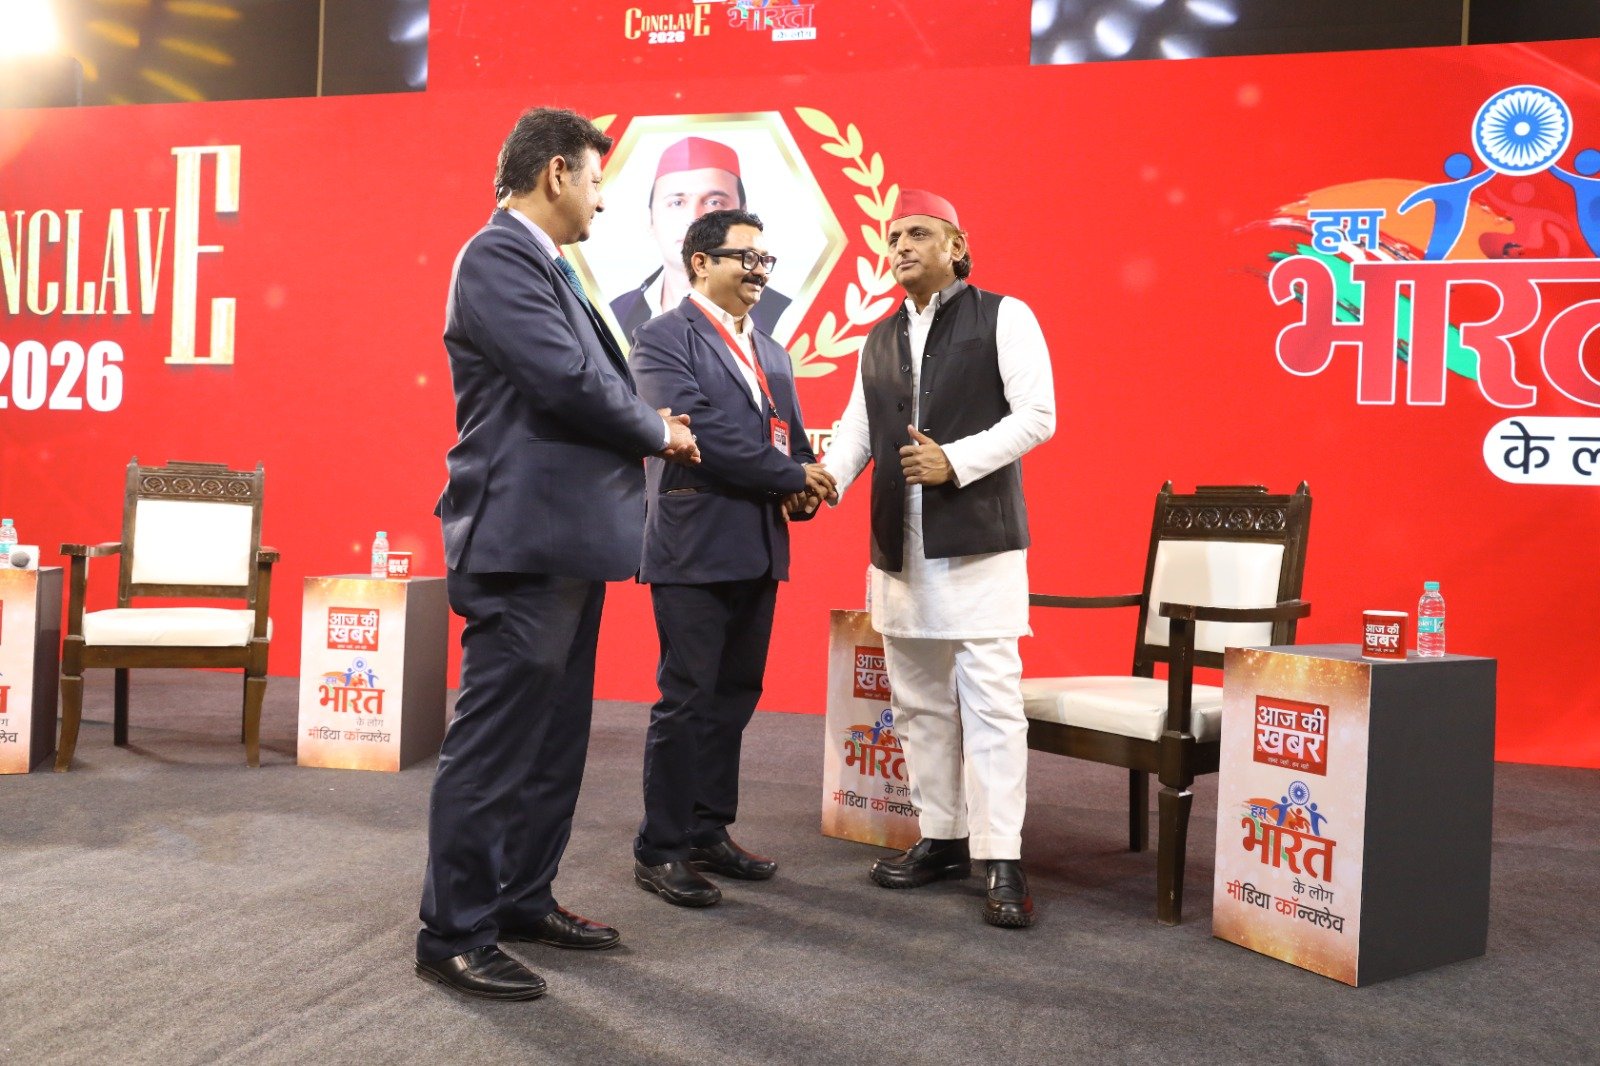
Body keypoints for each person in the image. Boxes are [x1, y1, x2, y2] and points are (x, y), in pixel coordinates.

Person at [417, 107, 700, 1001]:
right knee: (496, 746)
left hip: (565, 542)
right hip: (522, 544)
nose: (601, 200)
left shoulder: (545, 264)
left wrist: (646, 420)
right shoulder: (496, 256)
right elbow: (566, 382)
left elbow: (586, 380)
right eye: (595, 179)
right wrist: (656, 429)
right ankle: (454, 932)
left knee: (551, 744)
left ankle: (520, 898)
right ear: (556, 175)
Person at [822, 190, 1055, 928]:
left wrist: (954, 460)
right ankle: (942, 836)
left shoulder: (1005, 316)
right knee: (918, 704)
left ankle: (1002, 854)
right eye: (893, 237)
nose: (901, 247)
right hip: (900, 549)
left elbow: (1038, 417)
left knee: (991, 708)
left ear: (958, 245)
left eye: (919, 233)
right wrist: (824, 481)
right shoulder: (877, 337)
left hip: (979, 545)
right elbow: (857, 432)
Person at [628, 208, 836, 906]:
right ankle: (660, 848)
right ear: (700, 263)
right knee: (687, 698)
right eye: (746, 258)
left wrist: (801, 487)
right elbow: (701, 433)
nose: (759, 272)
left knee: (735, 695)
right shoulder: (663, 337)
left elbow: (791, 440)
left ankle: (707, 829)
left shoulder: (772, 350)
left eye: (765, 261)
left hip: (758, 543)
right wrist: (789, 475)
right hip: (692, 543)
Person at [609, 136, 793, 344]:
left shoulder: (784, 315)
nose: (693, 218)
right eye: (677, 203)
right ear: (650, 218)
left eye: (714, 202)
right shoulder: (616, 314)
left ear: (743, 214)